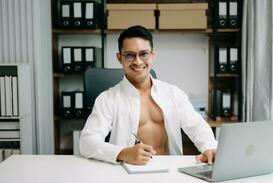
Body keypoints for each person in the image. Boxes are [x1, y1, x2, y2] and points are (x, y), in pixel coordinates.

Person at [80, 25, 217, 165]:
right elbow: (87, 141)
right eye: (129, 55)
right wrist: (122, 153)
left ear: (152, 55)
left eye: (143, 54)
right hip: (127, 171)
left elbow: (197, 126)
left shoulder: (173, 93)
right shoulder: (108, 99)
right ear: (119, 58)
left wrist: (209, 147)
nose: (137, 61)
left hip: (169, 171)